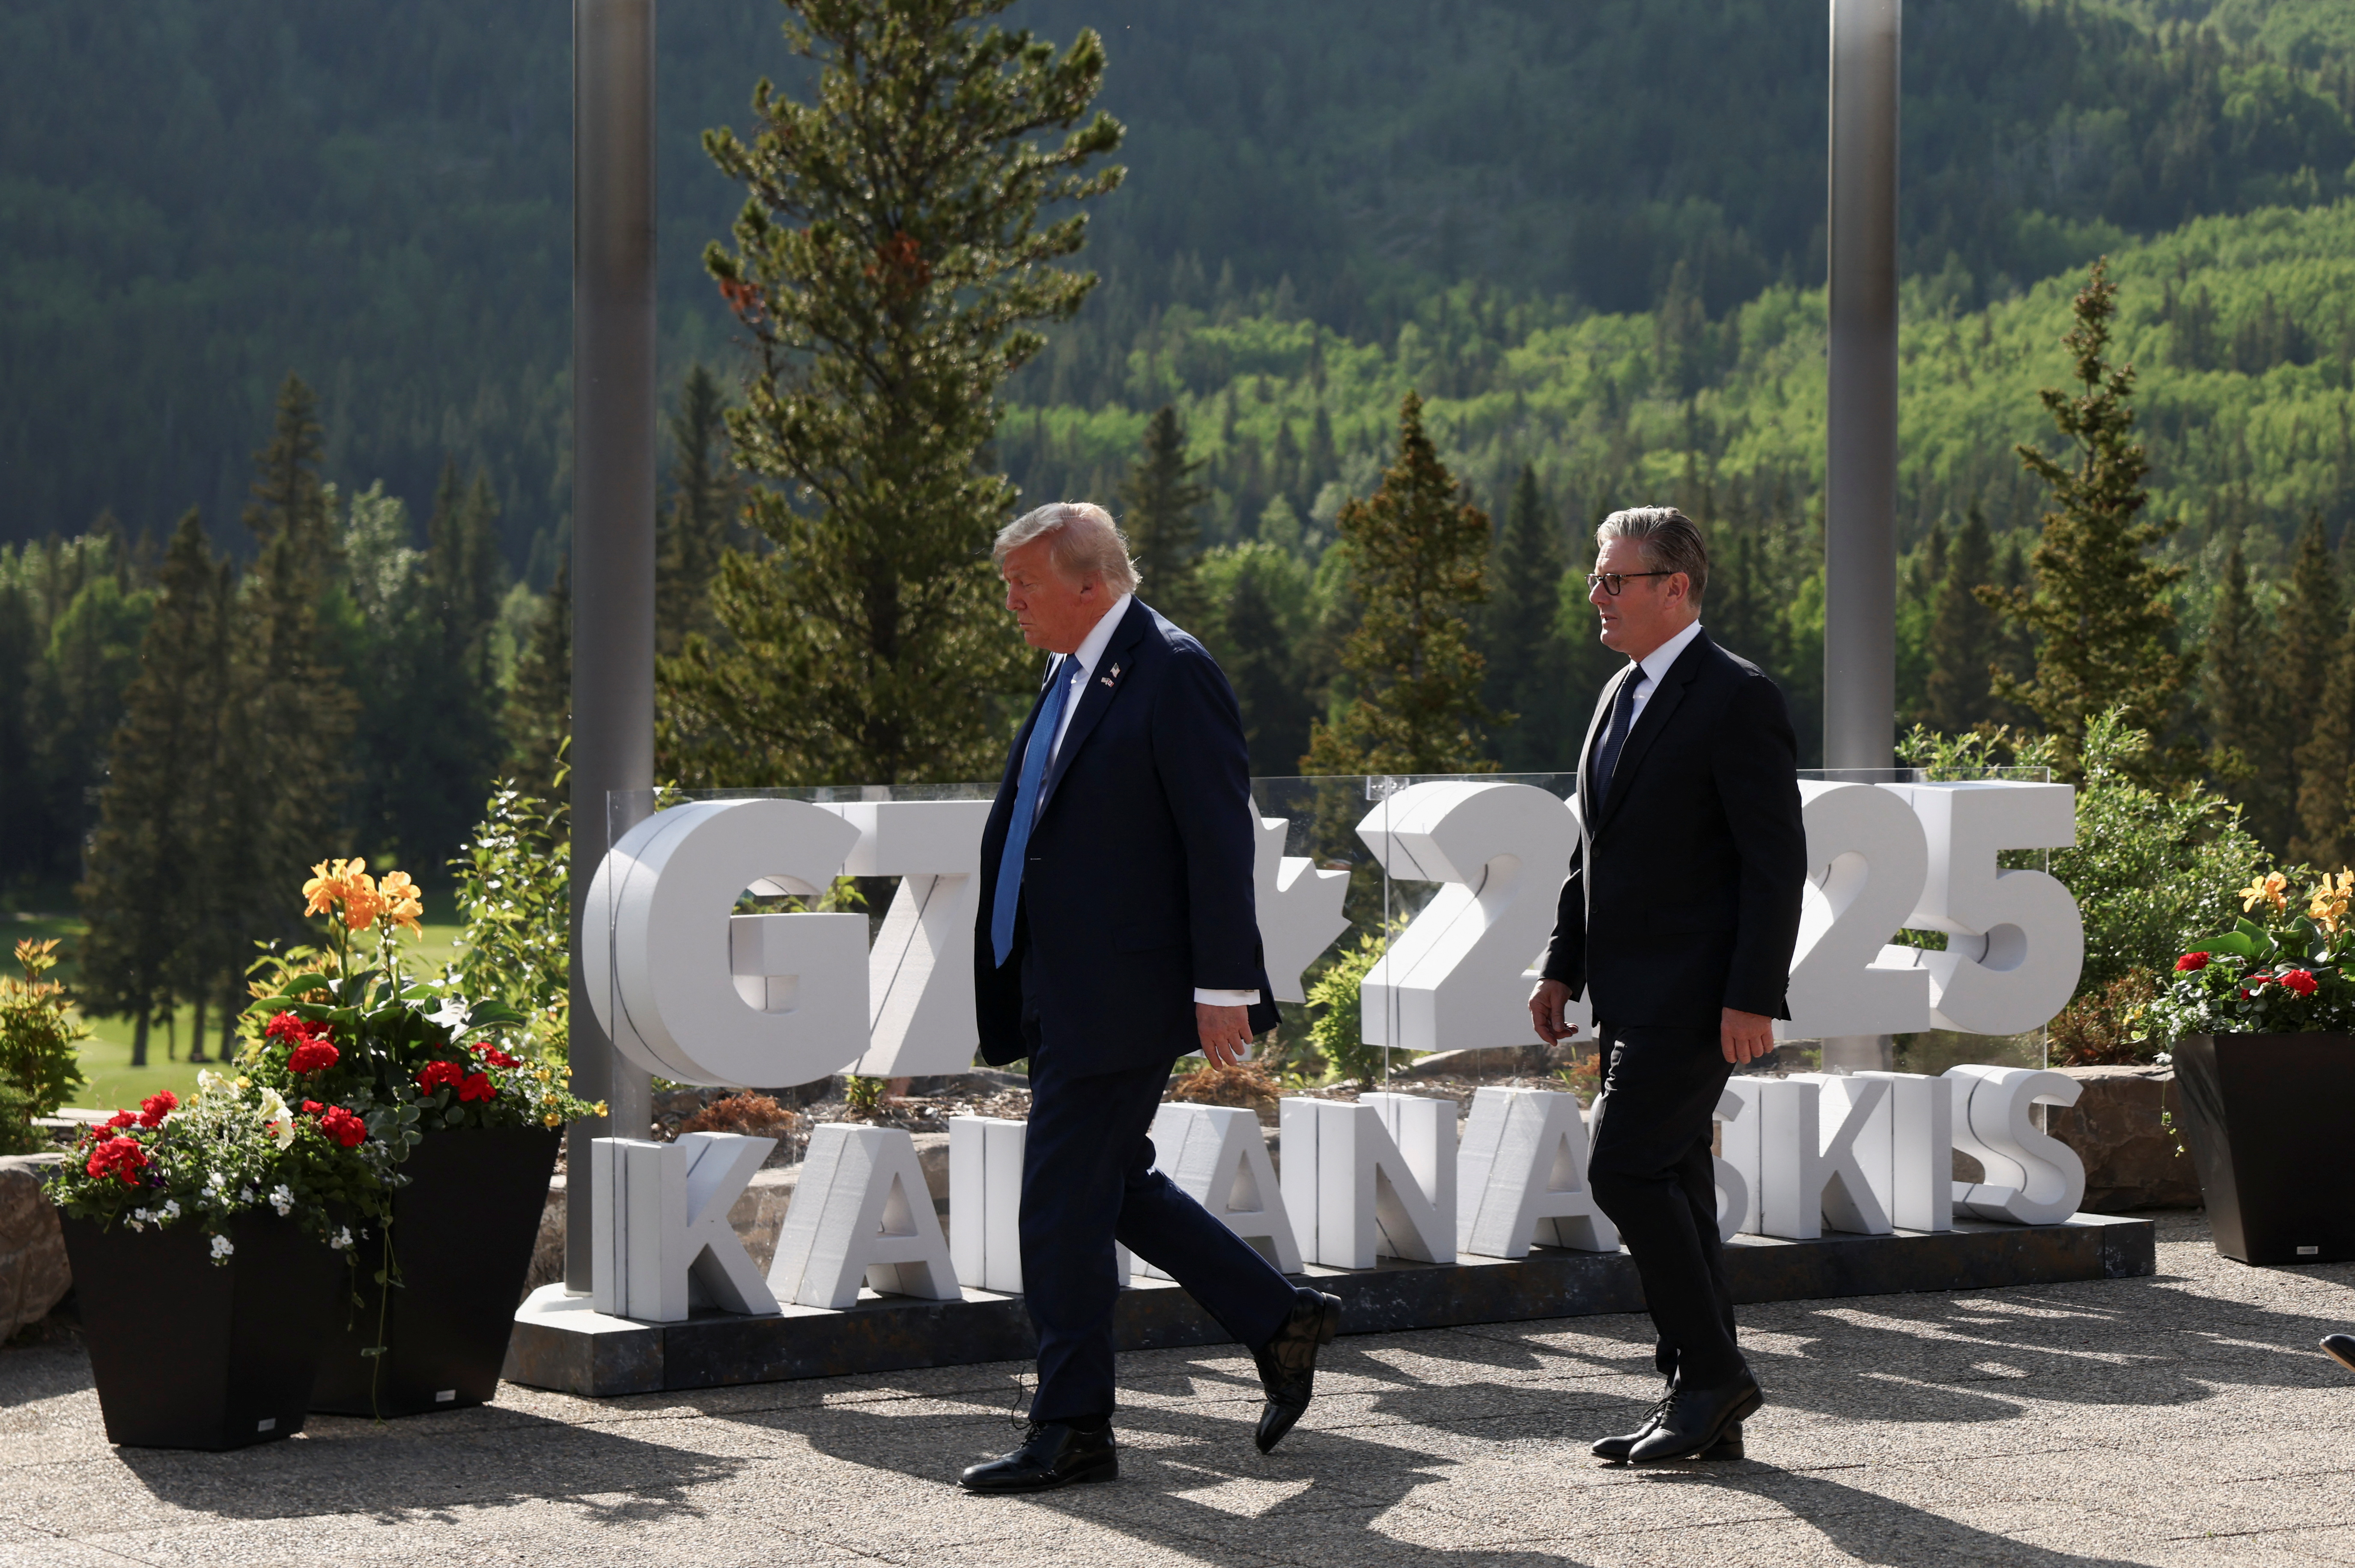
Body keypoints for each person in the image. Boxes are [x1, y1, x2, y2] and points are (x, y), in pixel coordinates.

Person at [958, 502, 1342, 1494]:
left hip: (1123, 989)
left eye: (1025, 586)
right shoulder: (1074, 666)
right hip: (1058, 978)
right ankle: (1277, 1317)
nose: (1011, 604)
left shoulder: (1171, 668)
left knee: (1054, 1210)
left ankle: (1074, 1425)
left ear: (1089, 583)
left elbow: (1218, 838)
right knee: (1108, 1182)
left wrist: (1225, 987)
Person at [1527, 506, 1807, 1466]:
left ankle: (1711, 1374)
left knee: (1623, 1168)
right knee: (1675, 1180)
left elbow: (1775, 862)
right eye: (1596, 578)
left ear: (1674, 588)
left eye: (1616, 580)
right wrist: (1562, 960)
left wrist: (1752, 995)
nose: (1596, 596)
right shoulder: (1619, 694)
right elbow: (1590, 846)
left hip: (1698, 996)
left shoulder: (1736, 697)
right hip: (1627, 991)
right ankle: (1701, 1395)